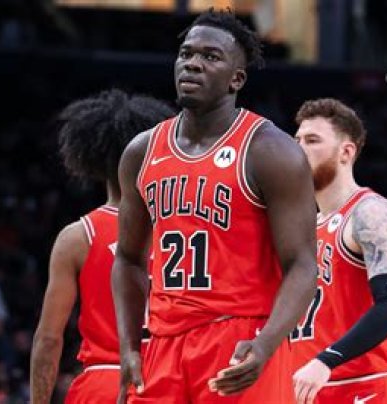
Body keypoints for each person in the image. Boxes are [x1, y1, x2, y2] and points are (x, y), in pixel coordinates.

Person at [112, 8, 318, 404]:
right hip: (163, 344)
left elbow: (304, 265)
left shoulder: (270, 151)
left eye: (211, 56)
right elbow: (127, 258)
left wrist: (266, 344)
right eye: (186, 53)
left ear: (236, 79)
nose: (192, 63)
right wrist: (129, 346)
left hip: (239, 339)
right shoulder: (141, 151)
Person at [30, 88, 175, 403]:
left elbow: (49, 339)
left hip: (104, 383)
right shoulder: (186, 232)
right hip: (168, 383)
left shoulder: (77, 237)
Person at [291, 98, 387, 403]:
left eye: (312, 140)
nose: (298, 149)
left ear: (346, 152)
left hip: (362, 387)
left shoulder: (370, 212)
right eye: (296, 140)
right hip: (306, 389)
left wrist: (326, 360)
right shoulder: (303, 227)